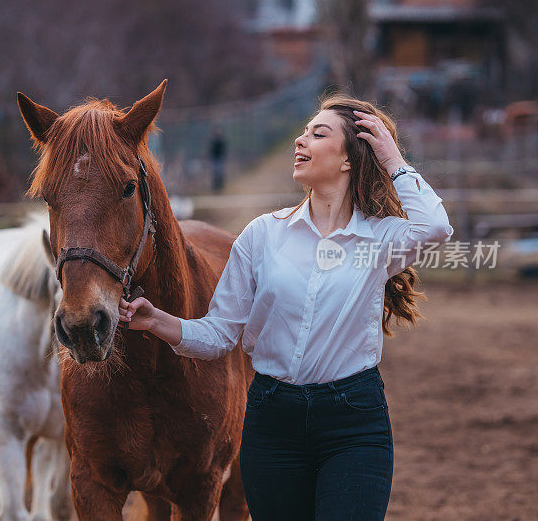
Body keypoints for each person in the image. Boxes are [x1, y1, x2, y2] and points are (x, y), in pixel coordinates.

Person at [119, 95, 454, 520]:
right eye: (303, 131)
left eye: (318, 134)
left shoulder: (379, 240)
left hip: (354, 424)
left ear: (349, 159)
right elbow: (220, 334)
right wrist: (158, 321)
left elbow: (436, 227)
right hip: (272, 423)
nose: (301, 140)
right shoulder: (262, 236)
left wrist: (391, 156)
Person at [209, 127, 226, 191]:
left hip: (220, 159)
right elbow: (211, 150)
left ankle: (220, 186)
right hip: (214, 159)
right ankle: (215, 187)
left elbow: (223, 150)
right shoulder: (213, 141)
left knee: (220, 173)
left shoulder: (221, 141)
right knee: (214, 174)